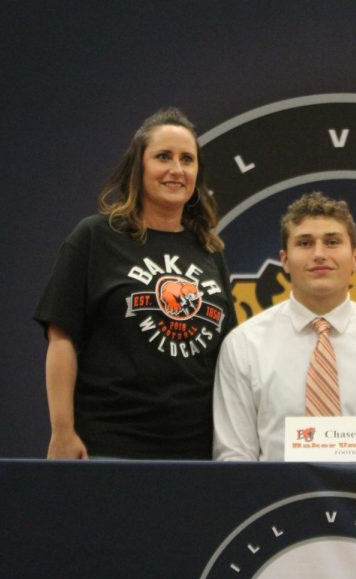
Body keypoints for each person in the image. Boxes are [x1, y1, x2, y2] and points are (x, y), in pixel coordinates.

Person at [34, 107, 235, 459]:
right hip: (110, 441)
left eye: (187, 159)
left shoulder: (209, 250)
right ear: (138, 167)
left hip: (196, 447)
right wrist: (62, 431)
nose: (176, 169)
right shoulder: (95, 237)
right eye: (163, 157)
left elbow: (226, 358)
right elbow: (61, 337)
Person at [212, 192, 356, 461]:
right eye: (305, 243)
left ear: (355, 258)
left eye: (332, 242)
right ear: (284, 260)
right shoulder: (244, 346)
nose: (319, 254)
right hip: (278, 501)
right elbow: (234, 460)